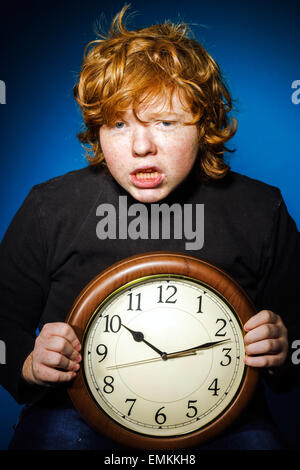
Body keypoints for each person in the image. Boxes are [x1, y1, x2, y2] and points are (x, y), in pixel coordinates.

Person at [0, 5, 299, 450]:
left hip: (227, 420)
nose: (141, 146)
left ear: (204, 126)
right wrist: (26, 363)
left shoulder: (260, 208)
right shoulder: (52, 206)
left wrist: (282, 347)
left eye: (165, 122)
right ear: (96, 129)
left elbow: (296, 337)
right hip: (73, 414)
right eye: (118, 124)